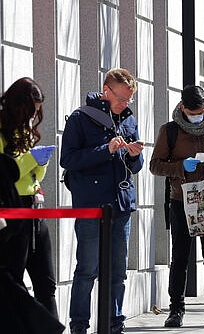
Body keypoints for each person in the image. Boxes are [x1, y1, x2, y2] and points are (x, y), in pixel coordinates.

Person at [61, 68, 144, 334]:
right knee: (87, 269)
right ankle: (79, 326)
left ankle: (114, 323)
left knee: (118, 271)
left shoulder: (128, 120)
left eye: (129, 100)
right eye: (120, 99)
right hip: (90, 205)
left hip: (120, 204)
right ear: (105, 91)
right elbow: (69, 160)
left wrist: (134, 155)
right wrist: (105, 150)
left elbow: (136, 166)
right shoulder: (80, 118)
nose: (124, 105)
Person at [149, 85, 204, 328]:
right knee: (179, 256)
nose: (197, 115)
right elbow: (156, 165)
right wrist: (181, 166)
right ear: (182, 108)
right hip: (181, 200)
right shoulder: (169, 131)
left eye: (201, 111)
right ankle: (176, 310)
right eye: (193, 112)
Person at [0, 77, 60, 319]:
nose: (33, 118)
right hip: (14, 210)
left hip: (35, 207)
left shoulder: (24, 129)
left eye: (36, 112)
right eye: (30, 111)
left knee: (47, 282)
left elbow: (33, 175)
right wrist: (32, 160)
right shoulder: (3, 132)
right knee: (13, 278)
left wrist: (41, 162)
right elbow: (7, 173)